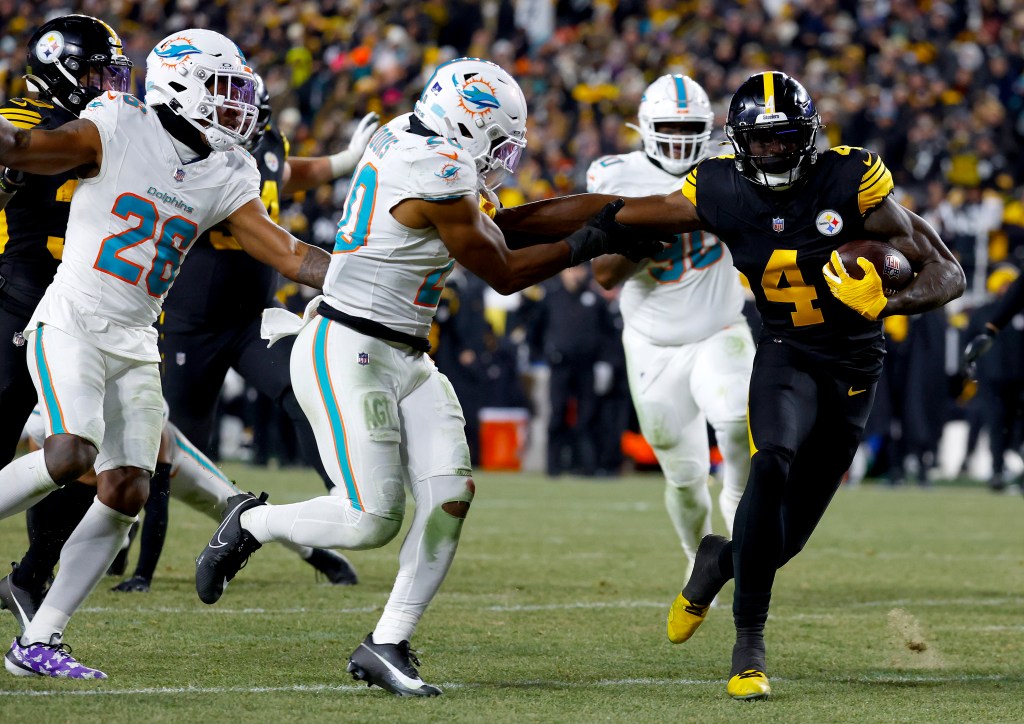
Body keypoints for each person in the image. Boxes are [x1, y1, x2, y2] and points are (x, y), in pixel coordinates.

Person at [193, 57, 663, 697]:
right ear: (466, 124)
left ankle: (386, 642)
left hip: (408, 353)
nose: (500, 157)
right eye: (496, 140)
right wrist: (593, 240)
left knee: (449, 495)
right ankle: (253, 523)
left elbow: (501, 225)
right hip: (350, 345)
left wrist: (612, 214)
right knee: (370, 520)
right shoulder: (434, 166)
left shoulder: (416, 140)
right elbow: (503, 270)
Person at [494, 71, 965, 700]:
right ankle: (749, 649)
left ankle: (717, 559)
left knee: (780, 543)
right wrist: (505, 222)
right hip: (785, 353)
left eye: (784, 138)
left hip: (854, 370)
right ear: (738, 143)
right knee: (768, 460)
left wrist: (889, 302)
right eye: (760, 141)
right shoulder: (719, 187)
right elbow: (609, 211)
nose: (772, 152)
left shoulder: (850, 180)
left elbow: (948, 271)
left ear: (809, 137)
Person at [0, 27, 343, 679]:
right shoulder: (118, 121)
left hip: (136, 339)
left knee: (127, 488)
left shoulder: (230, 169)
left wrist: (367, 279)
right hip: (73, 319)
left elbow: (289, 254)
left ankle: (39, 641)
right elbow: (24, 149)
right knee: (70, 452)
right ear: (182, 86)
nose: (238, 104)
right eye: (224, 89)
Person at [158, 72, 379, 488]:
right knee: (176, 443)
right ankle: (143, 529)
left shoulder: (266, 148)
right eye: (230, 111)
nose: (240, 121)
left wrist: (344, 161)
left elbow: (283, 174)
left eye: (249, 114)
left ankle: (348, 500)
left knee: (308, 393)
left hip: (254, 317)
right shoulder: (197, 155)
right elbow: (287, 253)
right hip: (192, 321)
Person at [0, 403, 356, 635]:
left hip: (171, 466)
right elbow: (43, 499)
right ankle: (40, 575)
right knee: (68, 496)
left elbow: (156, 502)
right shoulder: (47, 420)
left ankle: (318, 555)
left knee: (239, 511)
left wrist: (144, 575)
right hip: (100, 472)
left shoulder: (140, 409)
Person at [588, 74, 754, 571]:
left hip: (719, 328)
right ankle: (698, 560)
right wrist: (656, 227)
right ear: (644, 127)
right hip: (652, 343)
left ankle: (746, 538)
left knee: (738, 421)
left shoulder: (731, 167)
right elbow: (604, 273)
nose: (680, 138)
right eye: (669, 127)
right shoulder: (615, 175)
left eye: (689, 128)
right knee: (684, 476)